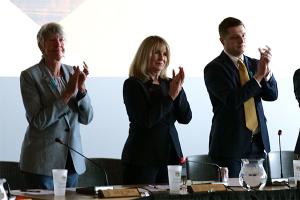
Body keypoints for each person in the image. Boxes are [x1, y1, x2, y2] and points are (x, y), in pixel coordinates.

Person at [19, 22, 93, 189]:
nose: (58, 43)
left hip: (72, 161)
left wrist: (81, 90)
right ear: (41, 46)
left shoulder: (72, 73)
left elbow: (87, 118)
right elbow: (38, 122)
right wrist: (67, 95)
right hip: (42, 163)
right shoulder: (30, 76)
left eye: (61, 39)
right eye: (52, 40)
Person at [204, 17, 278, 177]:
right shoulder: (214, 68)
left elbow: (272, 95)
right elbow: (232, 100)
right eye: (235, 37)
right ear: (222, 40)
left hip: (258, 144)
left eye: (243, 35)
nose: (241, 40)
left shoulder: (254, 63)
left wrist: (268, 73)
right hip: (230, 148)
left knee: (260, 193)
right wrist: (258, 77)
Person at [121, 35, 192, 184]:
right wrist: (171, 96)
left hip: (171, 156)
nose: (162, 57)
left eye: (165, 54)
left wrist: (179, 91)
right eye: (157, 53)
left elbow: (185, 118)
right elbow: (146, 120)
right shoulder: (133, 84)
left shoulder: (169, 83)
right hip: (143, 158)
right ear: (145, 55)